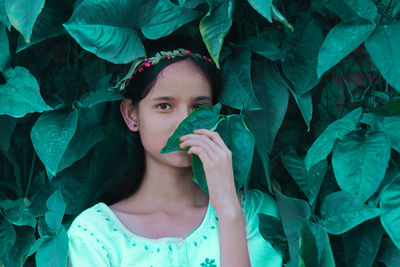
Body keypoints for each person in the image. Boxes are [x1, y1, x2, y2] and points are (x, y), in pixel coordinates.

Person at [66, 48, 283, 267]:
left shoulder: (254, 213)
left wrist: (228, 210)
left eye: (199, 107)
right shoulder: (96, 235)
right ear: (132, 115)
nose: (184, 123)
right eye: (164, 106)